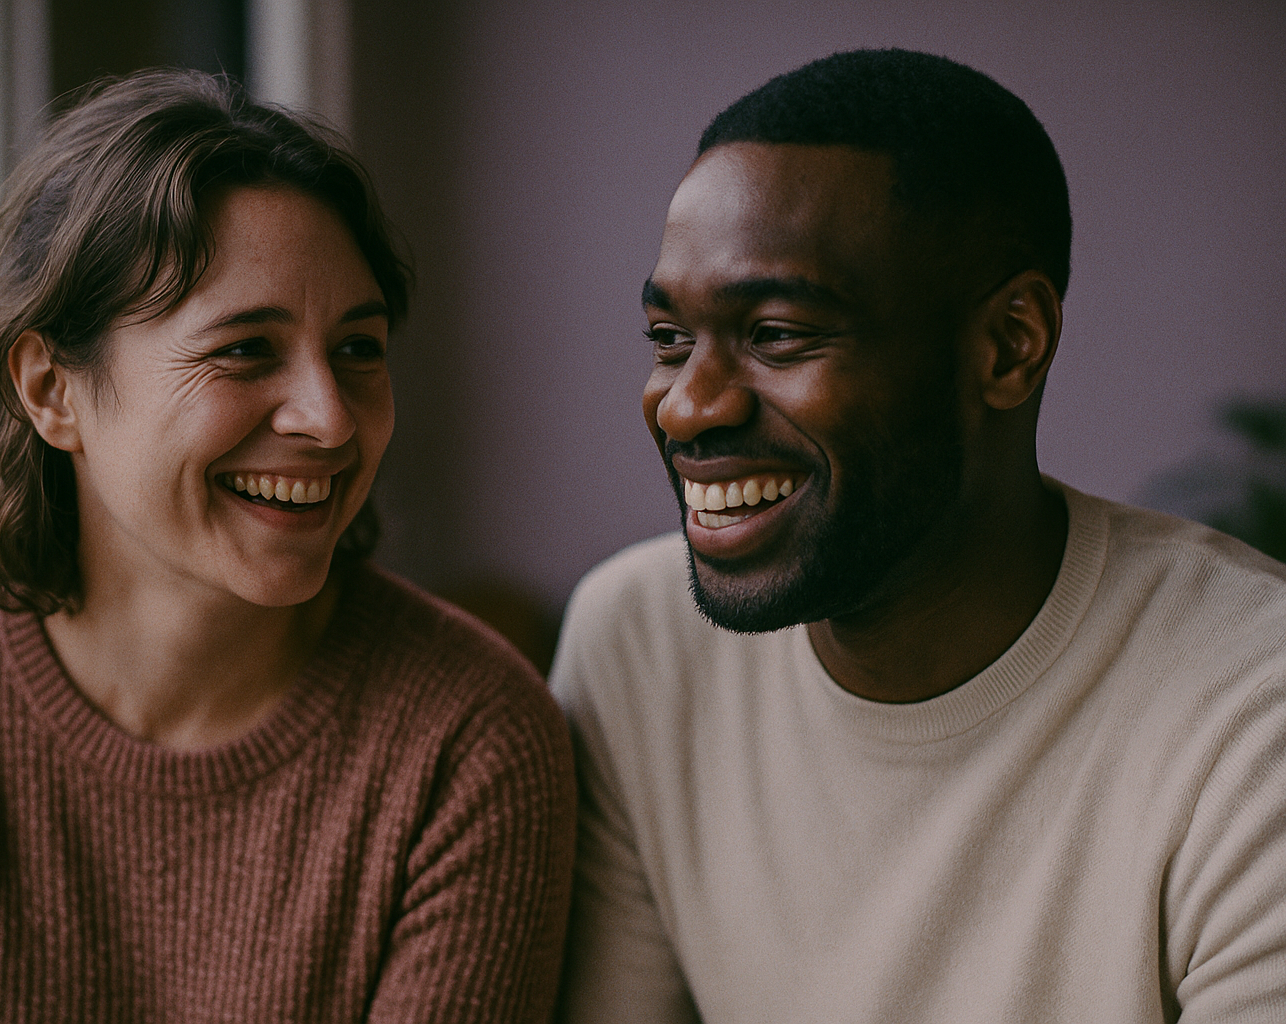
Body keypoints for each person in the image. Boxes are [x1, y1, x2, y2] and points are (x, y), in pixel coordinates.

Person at [0, 70, 574, 1023]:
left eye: (359, 348)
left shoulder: (472, 735)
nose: (329, 419)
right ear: (51, 390)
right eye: (244, 349)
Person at [551, 48, 1286, 1023]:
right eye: (668, 339)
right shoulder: (638, 649)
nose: (685, 407)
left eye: (776, 334)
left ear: (1009, 344)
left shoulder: (1250, 717)